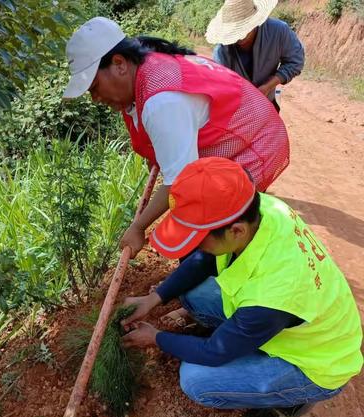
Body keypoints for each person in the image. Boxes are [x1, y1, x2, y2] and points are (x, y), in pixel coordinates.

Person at [120, 157, 363, 417]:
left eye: (199, 237)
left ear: (236, 231)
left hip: (317, 361)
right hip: (293, 318)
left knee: (197, 381)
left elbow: (213, 353)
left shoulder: (272, 295)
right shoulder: (259, 209)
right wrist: (154, 299)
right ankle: (247, 339)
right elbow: (203, 260)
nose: (195, 245)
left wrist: (156, 338)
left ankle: (292, 400)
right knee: (194, 293)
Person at [63, 17, 290, 259]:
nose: (95, 98)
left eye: (95, 86)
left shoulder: (162, 101)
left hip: (252, 142)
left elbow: (181, 180)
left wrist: (138, 228)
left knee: (221, 222)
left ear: (119, 63)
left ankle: (233, 268)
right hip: (237, 129)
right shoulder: (144, 64)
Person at [207, 0, 305, 112]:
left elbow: (295, 61)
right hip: (236, 110)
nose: (240, 37)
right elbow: (219, 84)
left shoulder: (278, 32)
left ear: (254, 21)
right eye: (236, 32)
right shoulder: (222, 50)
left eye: (243, 29)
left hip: (268, 104)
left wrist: (268, 86)